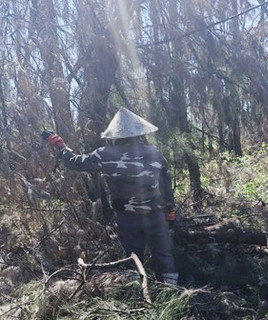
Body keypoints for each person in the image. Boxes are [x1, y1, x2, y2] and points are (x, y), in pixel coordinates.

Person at [44, 108, 179, 285]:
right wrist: (170, 211)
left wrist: (61, 145)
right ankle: (172, 291)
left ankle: (137, 289)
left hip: (127, 218)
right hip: (155, 215)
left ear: (114, 135)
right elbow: (166, 184)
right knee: (163, 254)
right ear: (139, 132)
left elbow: (73, 162)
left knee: (132, 257)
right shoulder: (154, 153)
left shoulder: (104, 154)